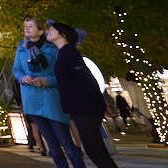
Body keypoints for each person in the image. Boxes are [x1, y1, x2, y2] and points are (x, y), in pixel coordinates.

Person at [13, 18, 85, 168]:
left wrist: (46, 81)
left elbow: (61, 75)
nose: (26, 28)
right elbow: (16, 70)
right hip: (32, 99)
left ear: (40, 31)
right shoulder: (21, 48)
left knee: (66, 142)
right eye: (25, 26)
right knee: (51, 145)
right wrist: (23, 77)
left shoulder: (52, 50)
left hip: (51, 99)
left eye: (30, 26)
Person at [47, 21, 118, 168]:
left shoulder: (69, 53)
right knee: (96, 150)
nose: (49, 30)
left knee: (95, 151)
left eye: (52, 29)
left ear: (63, 35)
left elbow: (87, 79)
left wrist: (101, 104)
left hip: (85, 109)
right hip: (82, 109)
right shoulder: (65, 53)